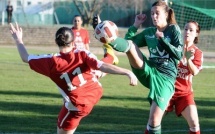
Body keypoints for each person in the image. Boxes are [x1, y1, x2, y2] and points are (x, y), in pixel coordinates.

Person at [9, 22, 138, 134]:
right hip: (95, 92)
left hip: (77, 106)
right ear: (73, 41)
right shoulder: (83, 54)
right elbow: (101, 66)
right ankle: (110, 57)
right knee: (94, 70)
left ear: (56, 42)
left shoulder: (51, 61)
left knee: (61, 128)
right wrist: (127, 72)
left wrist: (18, 39)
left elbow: (25, 57)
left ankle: (110, 58)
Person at [93, 1, 183, 134]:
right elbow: (128, 43)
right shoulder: (149, 32)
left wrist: (162, 40)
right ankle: (109, 38)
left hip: (165, 79)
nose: (154, 16)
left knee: (153, 121)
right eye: (152, 13)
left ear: (166, 14)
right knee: (130, 45)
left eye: (157, 13)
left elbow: (179, 55)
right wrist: (135, 25)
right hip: (148, 70)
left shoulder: (173, 29)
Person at [166, 20, 203, 134]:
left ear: (196, 34)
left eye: (191, 30)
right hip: (167, 90)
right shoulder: (174, 47)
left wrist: (188, 59)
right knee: (153, 121)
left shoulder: (197, 52)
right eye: (186, 29)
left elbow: (195, 72)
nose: (187, 32)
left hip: (184, 93)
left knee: (194, 124)